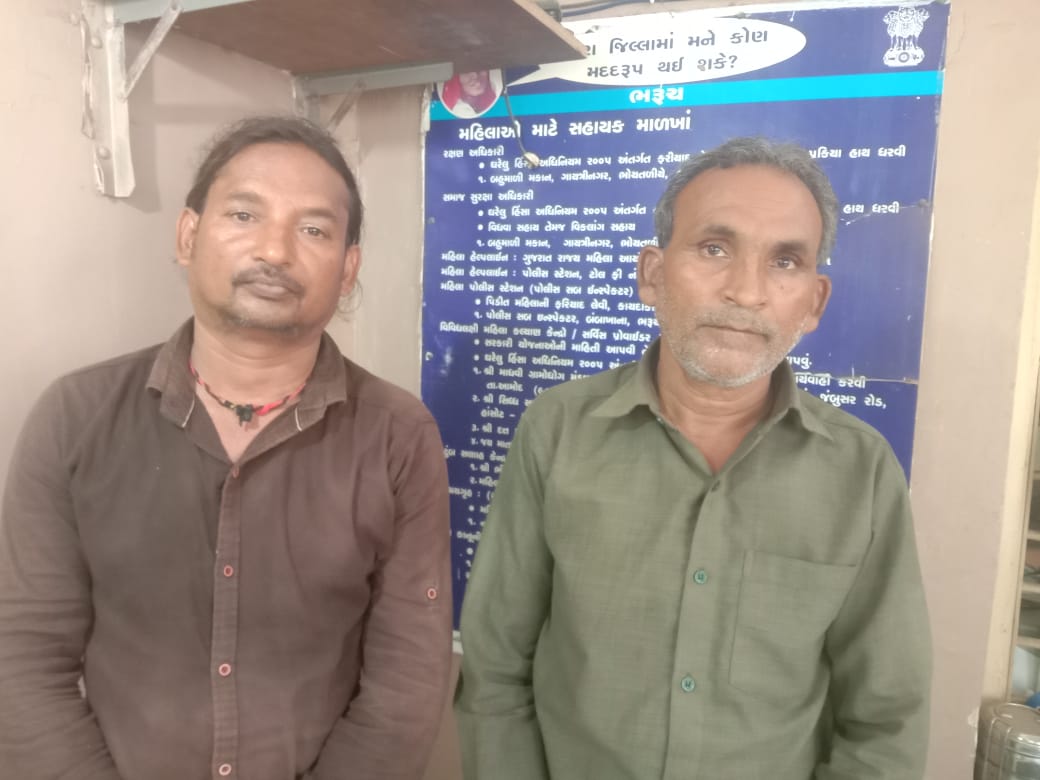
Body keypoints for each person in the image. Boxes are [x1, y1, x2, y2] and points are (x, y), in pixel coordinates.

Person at [455, 137, 931, 779]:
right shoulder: (556, 431)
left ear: (814, 302)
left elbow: (885, 721)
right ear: (652, 275)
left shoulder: (861, 472)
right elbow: (495, 669)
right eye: (714, 248)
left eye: (785, 261)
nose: (746, 291)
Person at [0, 116, 452, 780]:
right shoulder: (75, 417)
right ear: (188, 235)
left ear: (348, 268)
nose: (275, 250)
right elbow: (23, 654)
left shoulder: (398, 435)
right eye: (244, 214)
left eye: (314, 230)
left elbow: (405, 683)